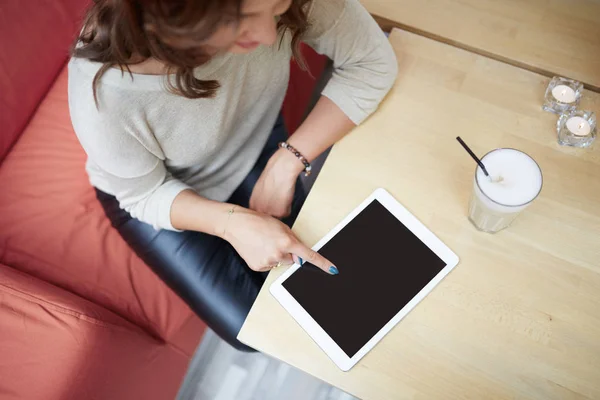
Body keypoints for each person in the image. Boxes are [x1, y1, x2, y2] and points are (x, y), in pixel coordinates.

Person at [68, 0, 398, 351]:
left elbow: (371, 62)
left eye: (277, 8)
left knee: (326, 289)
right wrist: (232, 223)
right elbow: (142, 195)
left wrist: (288, 160)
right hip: (159, 192)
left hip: (253, 138)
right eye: (243, 23)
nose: (270, 35)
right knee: (256, 330)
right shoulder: (104, 95)